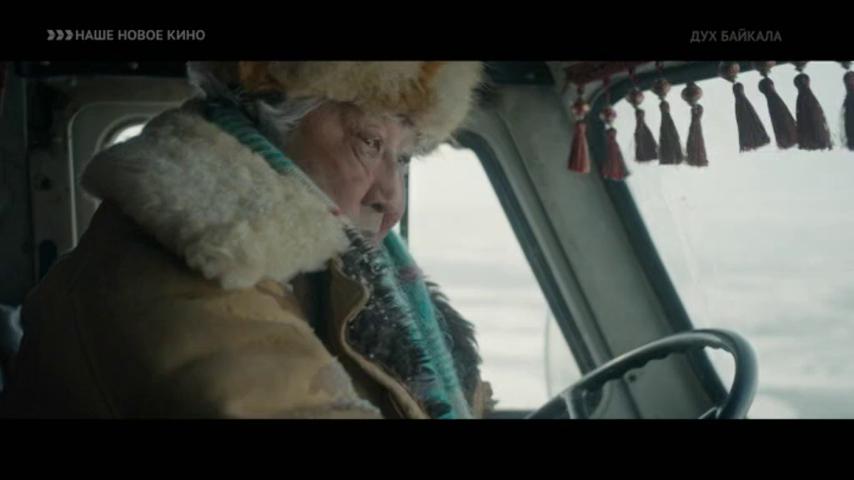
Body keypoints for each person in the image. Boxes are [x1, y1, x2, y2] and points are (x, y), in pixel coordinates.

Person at [0, 61, 493, 419]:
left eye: (404, 159)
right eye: (370, 142)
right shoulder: (188, 268)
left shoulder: (323, 269)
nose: (392, 200)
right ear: (276, 114)